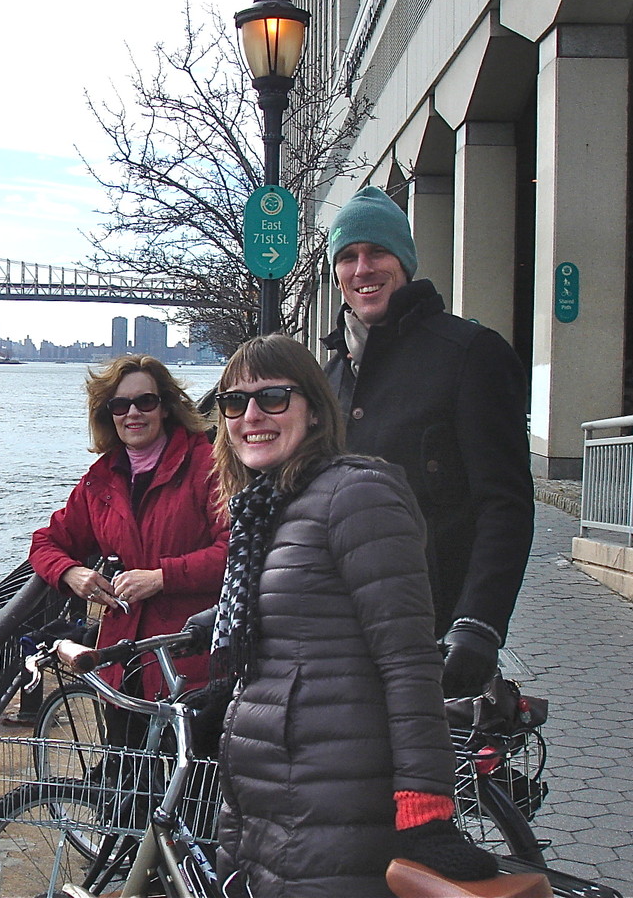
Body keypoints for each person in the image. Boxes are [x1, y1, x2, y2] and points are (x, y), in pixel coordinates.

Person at [198, 334, 496, 898]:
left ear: (313, 408)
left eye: (274, 398)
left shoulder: (356, 497)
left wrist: (424, 807)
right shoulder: (268, 507)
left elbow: (408, 660)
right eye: (234, 403)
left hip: (334, 810)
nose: (250, 416)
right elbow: (293, 617)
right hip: (272, 802)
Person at [321, 186, 535, 697]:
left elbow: (504, 504)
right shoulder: (327, 379)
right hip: (338, 632)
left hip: (433, 637)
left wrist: (479, 624)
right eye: (347, 257)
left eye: (377, 253)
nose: (362, 268)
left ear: (406, 261)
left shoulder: (470, 354)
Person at [29, 354, 229, 709]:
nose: (132, 413)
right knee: (126, 761)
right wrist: (71, 573)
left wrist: (161, 577)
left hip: (191, 659)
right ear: (109, 414)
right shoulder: (101, 479)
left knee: (188, 763)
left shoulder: (208, 467)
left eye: (145, 401)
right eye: (120, 405)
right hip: (123, 663)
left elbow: (234, 552)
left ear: (165, 407)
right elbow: (46, 541)